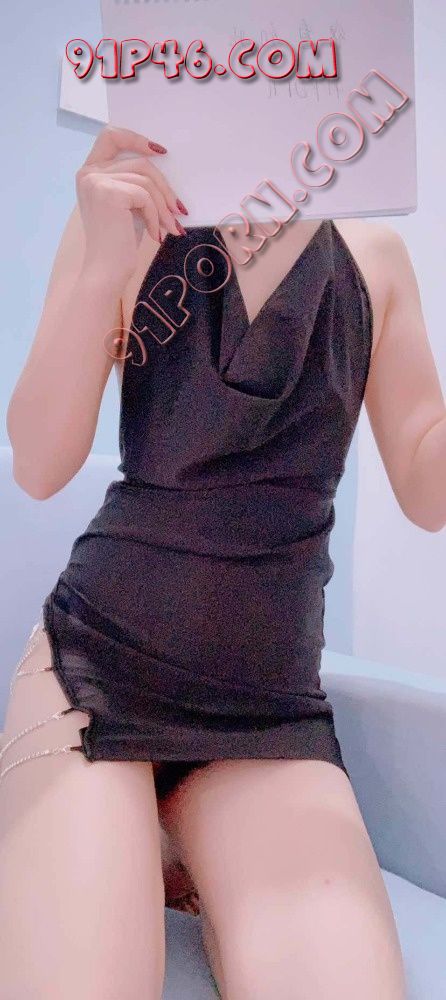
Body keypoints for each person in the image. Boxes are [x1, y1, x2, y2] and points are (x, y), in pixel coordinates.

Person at [2, 122, 444, 1000]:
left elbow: (428, 491)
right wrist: (99, 264)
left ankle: (176, 832)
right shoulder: (126, 221)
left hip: (264, 708)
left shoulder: (377, 257)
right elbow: (40, 464)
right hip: (99, 669)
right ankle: (143, 829)